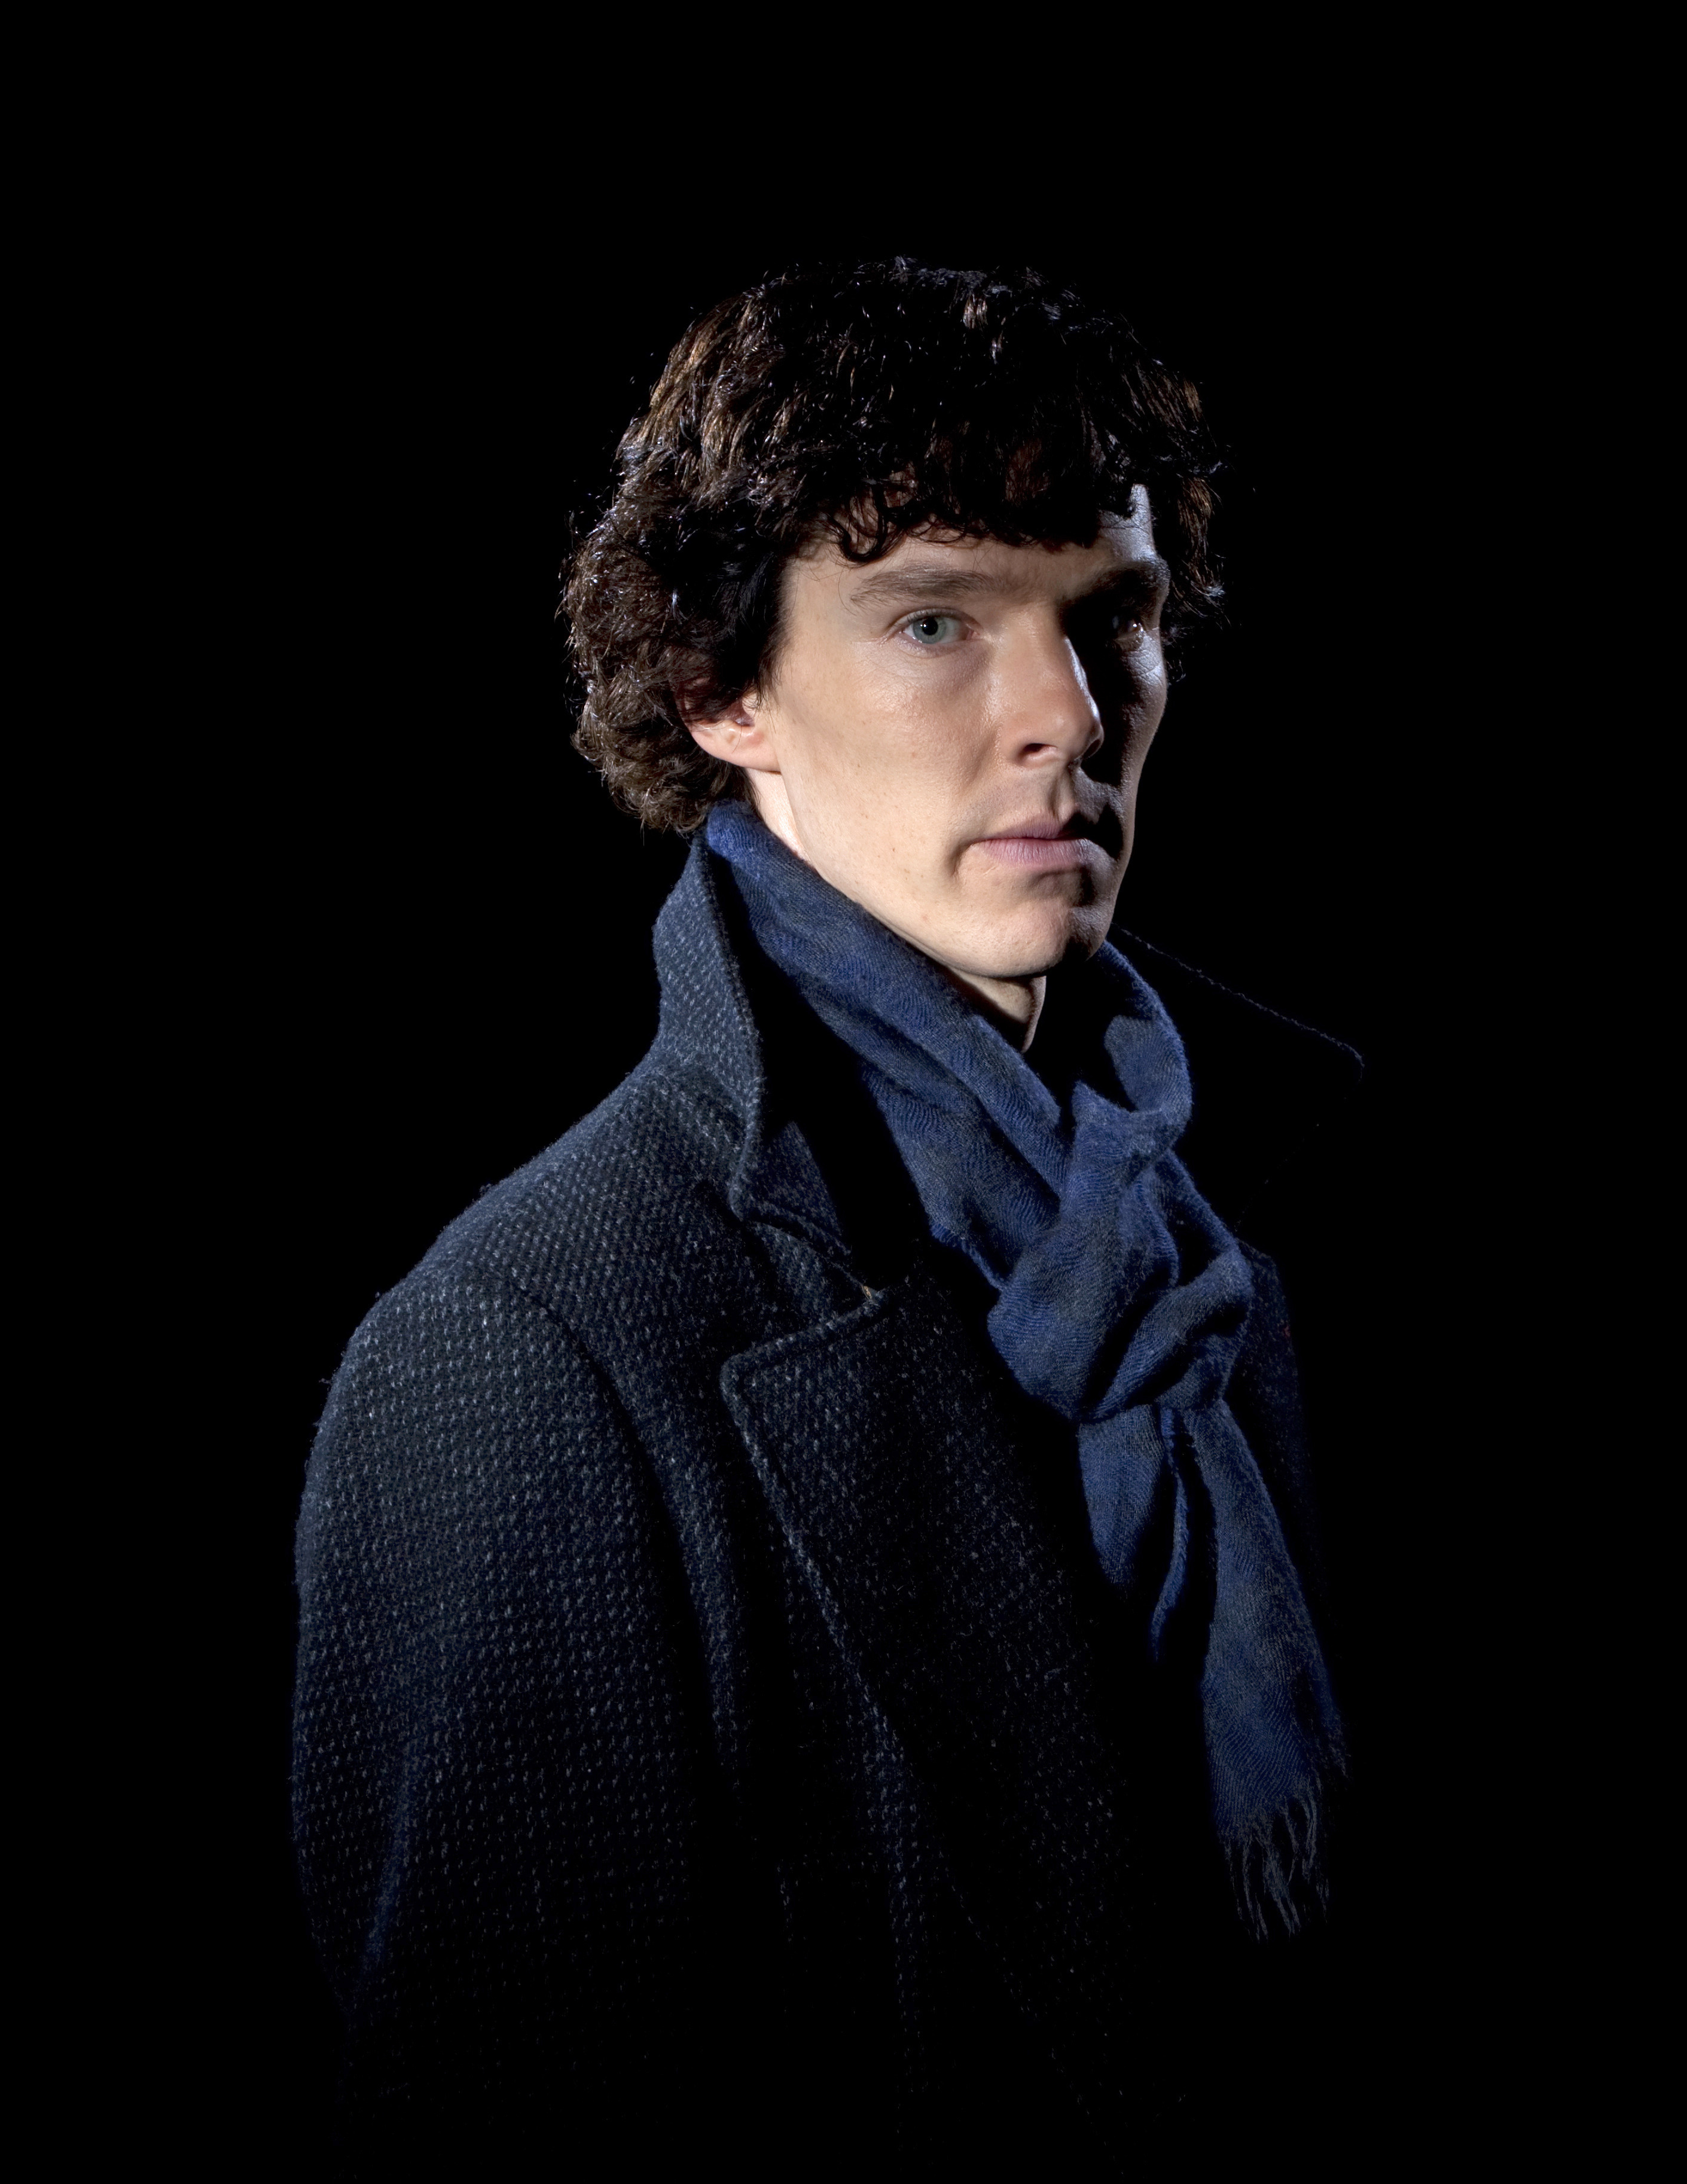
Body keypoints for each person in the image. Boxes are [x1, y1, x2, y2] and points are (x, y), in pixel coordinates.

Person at [292, 260, 1365, 2152]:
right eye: (936, 621)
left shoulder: (1278, 1217)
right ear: (721, 689)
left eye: (1110, 620)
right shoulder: (531, 1353)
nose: (1063, 714)